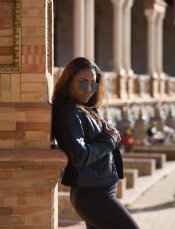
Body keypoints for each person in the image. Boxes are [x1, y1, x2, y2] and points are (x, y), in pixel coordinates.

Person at [51, 57, 139, 229]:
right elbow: (80, 155)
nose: (89, 90)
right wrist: (109, 140)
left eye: (94, 84)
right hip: (94, 196)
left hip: (100, 193)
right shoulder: (69, 113)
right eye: (83, 83)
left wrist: (109, 136)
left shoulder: (84, 109)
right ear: (69, 81)